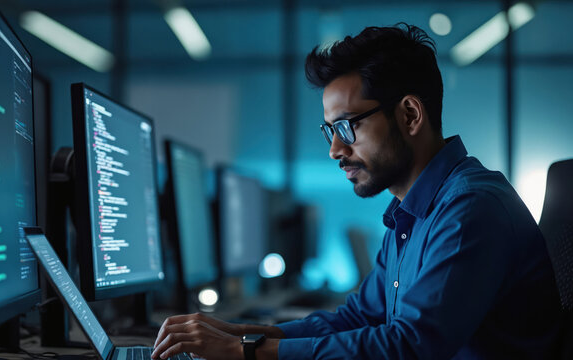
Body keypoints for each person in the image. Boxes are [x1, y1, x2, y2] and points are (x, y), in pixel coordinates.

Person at [151, 23, 564, 360]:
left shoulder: (470, 209)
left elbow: (409, 347)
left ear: (409, 115)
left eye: (347, 126)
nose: (335, 150)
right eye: (330, 131)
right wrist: (241, 333)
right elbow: (359, 318)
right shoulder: (411, 214)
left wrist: (247, 352)